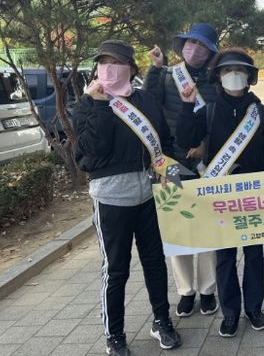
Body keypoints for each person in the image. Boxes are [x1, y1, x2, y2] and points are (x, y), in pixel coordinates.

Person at [74, 40, 181, 356]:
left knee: (155, 262)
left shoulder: (146, 100)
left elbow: (164, 143)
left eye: (117, 62)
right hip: (110, 199)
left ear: (131, 69)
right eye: (103, 62)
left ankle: (161, 320)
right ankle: (115, 335)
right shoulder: (87, 104)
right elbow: (93, 152)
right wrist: (99, 106)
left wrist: (173, 179)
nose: (109, 69)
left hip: (149, 195)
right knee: (116, 269)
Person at [176, 48, 264, 338]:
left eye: (240, 70)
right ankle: (230, 312)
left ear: (249, 76)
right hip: (219, 198)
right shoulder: (208, 111)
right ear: (218, 77)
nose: (233, 75)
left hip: (253, 195)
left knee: (254, 254)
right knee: (224, 257)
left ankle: (254, 308)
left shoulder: (260, 112)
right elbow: (185, 139)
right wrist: (186, 106)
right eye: (226, 70)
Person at [143, 23, 220, 318]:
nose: (195, 49)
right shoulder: (166, 76)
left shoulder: (214, 81)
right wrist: (154, 67)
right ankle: (186, 291)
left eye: (202, 46)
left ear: (210, 52)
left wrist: (205, 145)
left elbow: (218, 121)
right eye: (191, 43)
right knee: (177, 225)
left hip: (207, 163)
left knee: (209, 226)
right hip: (171, 163)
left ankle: (208, 290)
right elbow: (149, 106)